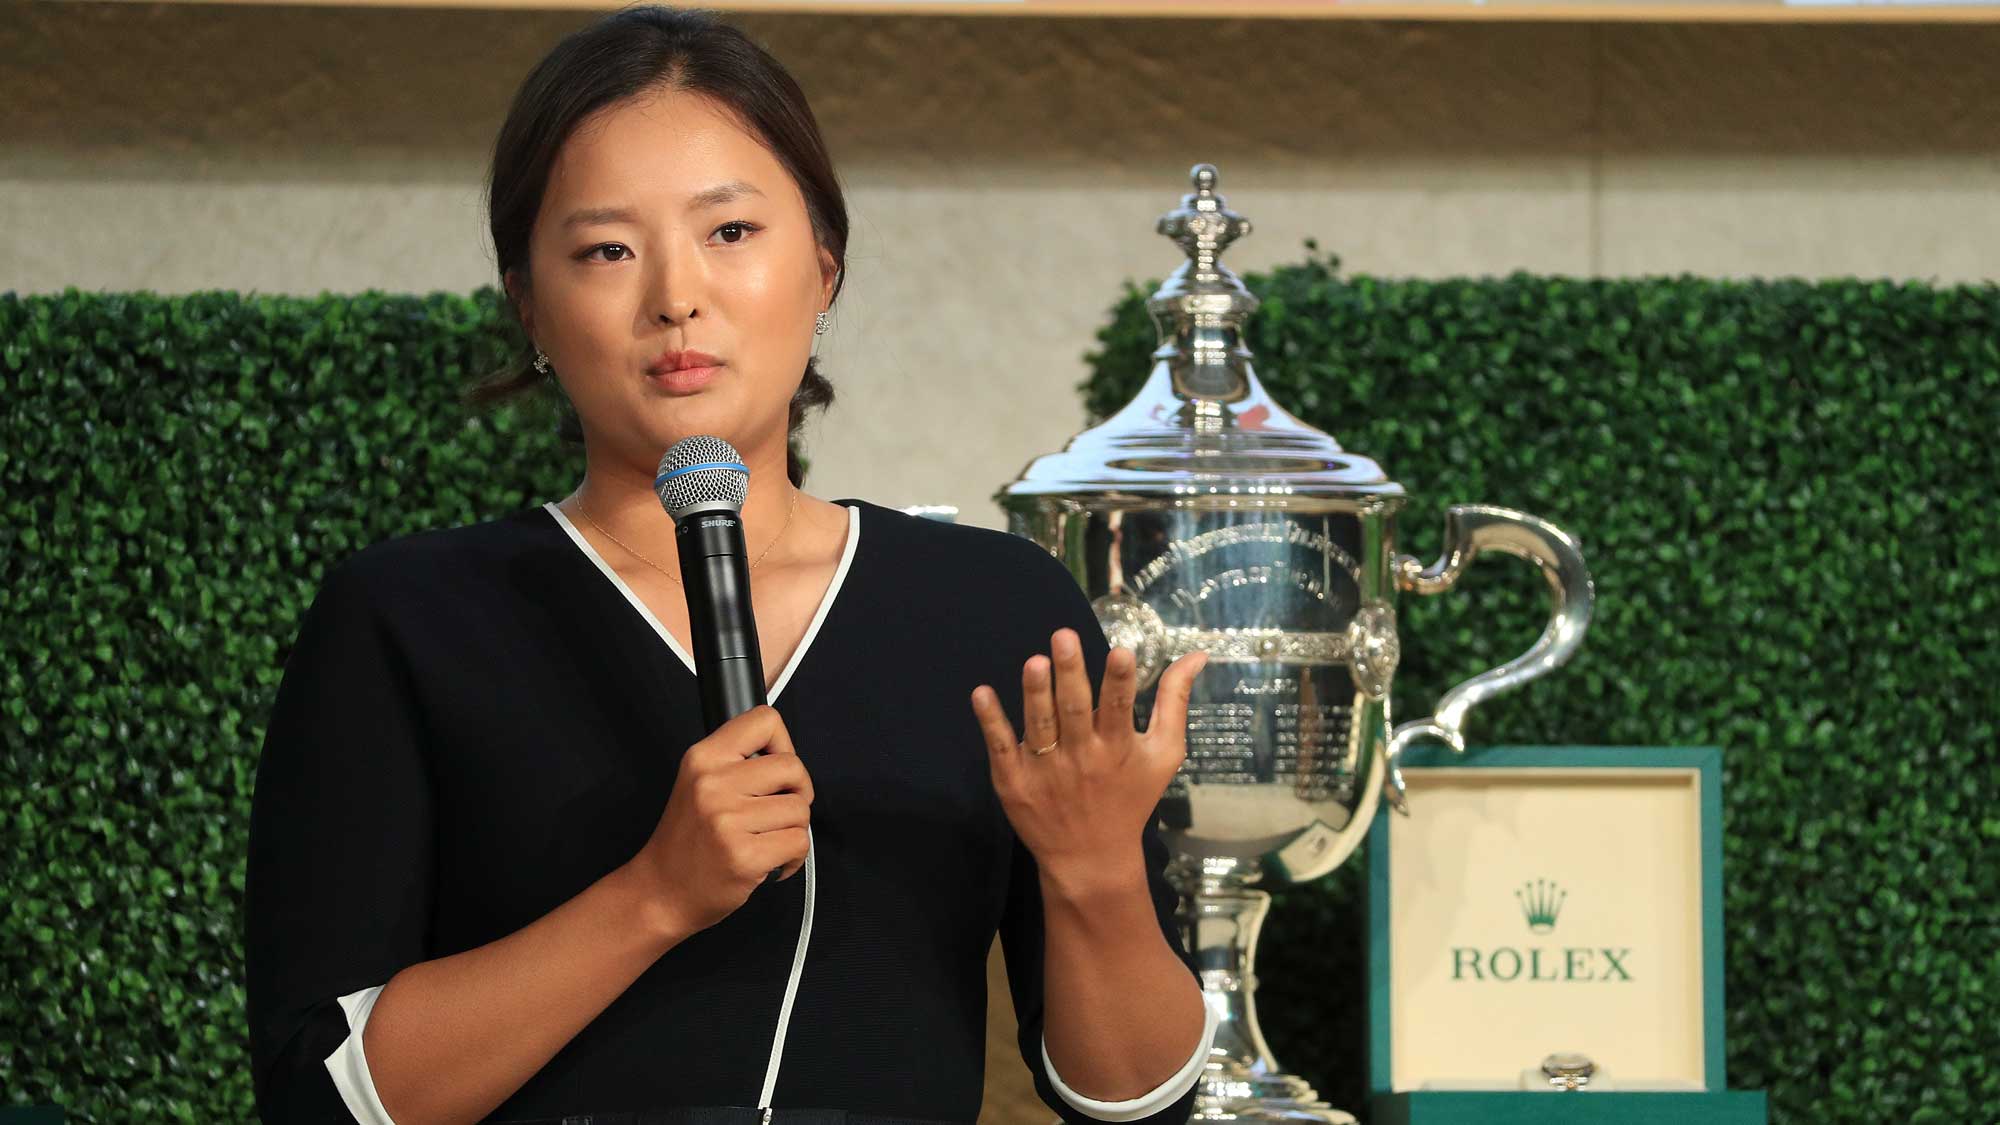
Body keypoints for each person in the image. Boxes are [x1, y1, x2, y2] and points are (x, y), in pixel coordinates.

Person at [243, 6, 1219, 1124]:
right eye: (605, 249)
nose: (674, 296)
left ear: (824, 266)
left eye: (731, 232)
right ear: (529, 304)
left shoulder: (993, 609)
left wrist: (1095, 875)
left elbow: (1134, 1107)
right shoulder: (407, 617)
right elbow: (318, 1097)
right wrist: (654, 896)